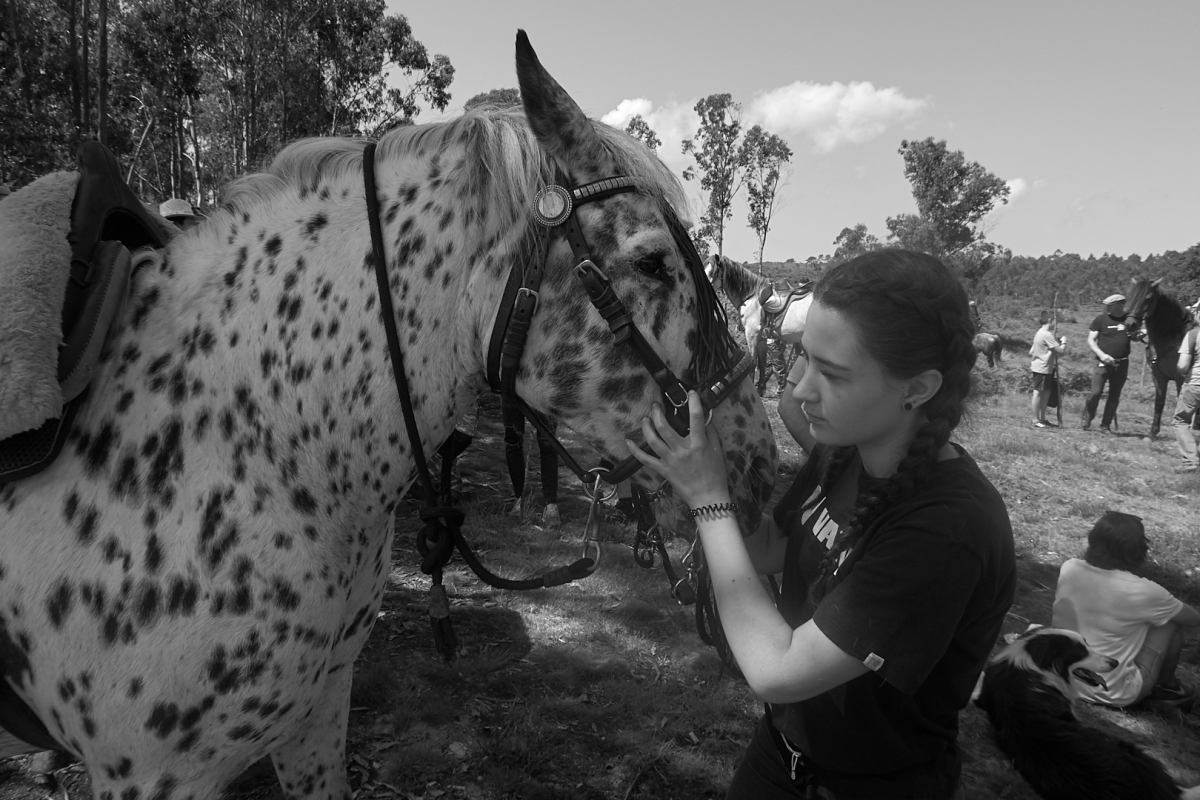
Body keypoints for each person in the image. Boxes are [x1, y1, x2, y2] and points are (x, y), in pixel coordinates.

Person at [628, 249, 1015, 799]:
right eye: (802, 357)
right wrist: (686, 483)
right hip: (781, 753)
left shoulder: (948, 531)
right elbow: (775, 546)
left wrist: (709, 500)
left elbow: (776, 668)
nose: (801, 388)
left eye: (831, 374)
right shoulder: (846, 452)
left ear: (918, 388)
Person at [1051, 511, 1200, 710]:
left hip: (1059, 677)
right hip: (1111, 691)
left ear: (1093, 540)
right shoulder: (1147, 592)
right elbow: (1192, 618)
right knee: (1171, 621)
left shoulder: (1070, 567)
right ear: (1138, 550)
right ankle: (1168, 688)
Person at [502, 398, 561, 528]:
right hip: (511, 386)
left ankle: (551, 507)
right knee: (514, 440)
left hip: (539, 384)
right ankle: (520, 500)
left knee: (548, 441)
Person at [1083, 293, 1137, 433]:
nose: (1106, 307)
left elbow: (1134, 337)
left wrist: (1138, 335)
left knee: (1114, 395)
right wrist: (1102, 355)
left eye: (1109, 305)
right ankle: (1087, 417)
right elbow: (1090, 340)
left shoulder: (1128, 320)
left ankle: (1105, 425)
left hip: (1122, 363)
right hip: (1103, 362)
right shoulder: (1100, 320)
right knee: (1095, 393)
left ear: (1119, 305)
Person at [1029, 310, 1067, 428]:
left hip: (1043, 367)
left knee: (1045, 392)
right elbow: (1060, 351)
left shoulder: (1039, 333)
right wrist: (1064, 343)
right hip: (1042, 368)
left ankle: (1042, 419)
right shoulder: (1046, 334)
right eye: (1054, 321)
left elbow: (1031, 351)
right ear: (1050, 320)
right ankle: (1036, 420)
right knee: (1038, 392)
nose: (1055, 324)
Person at [1172, 324, 1200, 473]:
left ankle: (1190, 461)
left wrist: (1184, 374)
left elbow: (1183, 366)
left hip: (1195, 384)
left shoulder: (1193, 335)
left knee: (1181, 420)